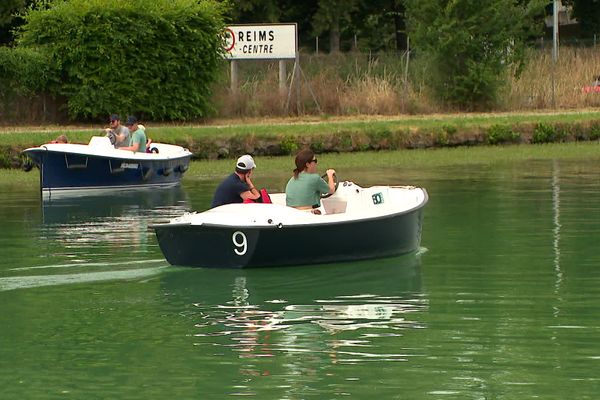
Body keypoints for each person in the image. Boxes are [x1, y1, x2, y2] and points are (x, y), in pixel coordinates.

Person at [285, 149, 336, 213]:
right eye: (315, 161)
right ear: (307, 164)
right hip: (307, 214)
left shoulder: (292, 179)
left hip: (292, 213)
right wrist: (330, 175)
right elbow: (331, 190)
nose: (317, 163)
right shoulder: (315, 178)